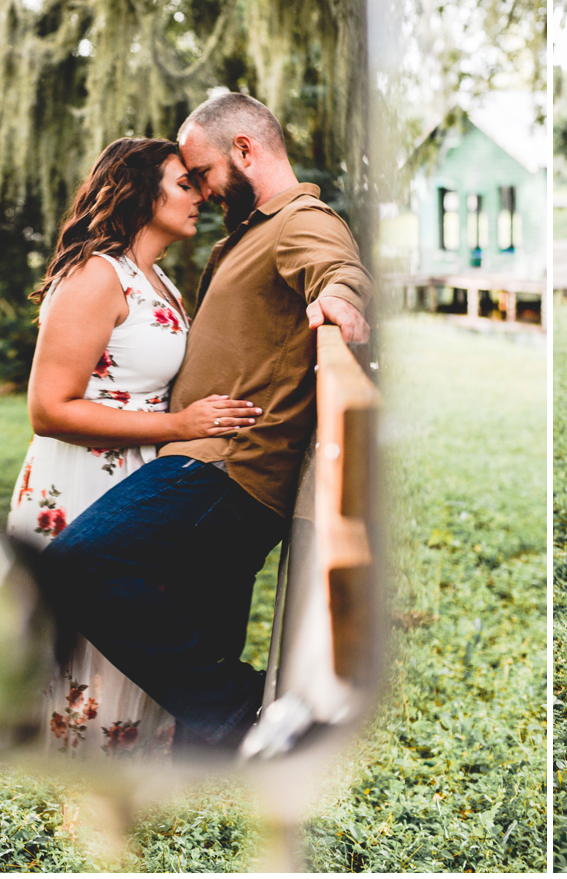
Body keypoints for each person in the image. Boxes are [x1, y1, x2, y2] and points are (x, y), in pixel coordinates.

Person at [40, 91, 372, 757]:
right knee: (200, 646)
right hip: (206, 465)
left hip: (224, 469)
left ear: (244, 150)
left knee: (77, 565)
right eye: (188, 180)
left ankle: (238, 706)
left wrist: (340, 298)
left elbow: (335, 266)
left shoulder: (298, 220)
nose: (204, 189)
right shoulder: (246, 237)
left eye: (206, 173)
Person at [8, 137, 262, 757]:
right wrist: (182, 427)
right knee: (83, 661)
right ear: (139, 192)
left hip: (143, 479)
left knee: (133, 645)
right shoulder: (97, 274)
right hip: (84, 479)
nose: (200, 194)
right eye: (184, 183)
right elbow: (49, 409)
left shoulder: (160, 281)